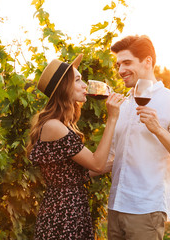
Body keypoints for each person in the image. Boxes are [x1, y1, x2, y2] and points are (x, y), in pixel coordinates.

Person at [107, 35, 170, 240]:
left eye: (127, 62)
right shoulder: (122, 104)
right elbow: (113, 158)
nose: (120, 70)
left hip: (146, 212)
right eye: (118, 64)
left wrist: (158, 130)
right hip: (115, 207)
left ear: (147, 61)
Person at [27, 54, 124, 239]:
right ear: (64, 88)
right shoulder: (54, 126)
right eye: (78, 80)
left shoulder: (64, 125)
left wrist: (117, 161)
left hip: (72, 209)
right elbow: (95, 164)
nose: (85, 85)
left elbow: (76, 175)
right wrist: (112, 118)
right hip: (63, 215)